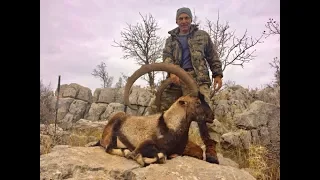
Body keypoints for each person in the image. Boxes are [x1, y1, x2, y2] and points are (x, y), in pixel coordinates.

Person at [147, 7, 223, 164]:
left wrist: (217, 74)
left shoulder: (202, 36)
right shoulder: (171, 40)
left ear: (191, 19)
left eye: (186, 18)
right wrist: (171, 73)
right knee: (159, 106)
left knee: (203, 111)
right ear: (176, 21)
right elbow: (166, 58)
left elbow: (212, 55)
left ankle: (210, 148)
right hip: (176, 79)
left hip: (198, 80)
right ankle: (154, 140)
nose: (183, 21)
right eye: (180, 18)